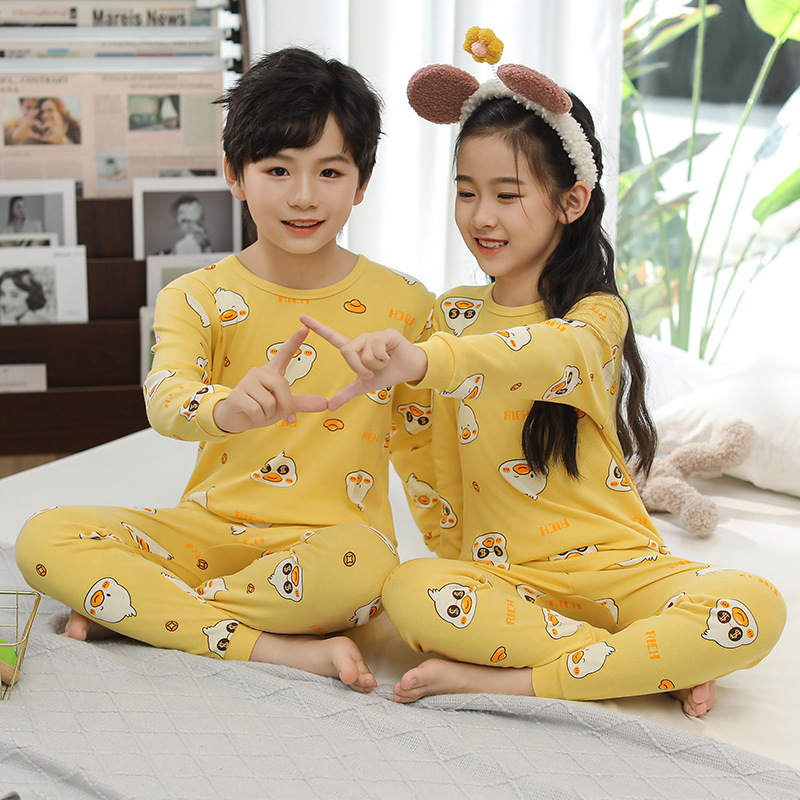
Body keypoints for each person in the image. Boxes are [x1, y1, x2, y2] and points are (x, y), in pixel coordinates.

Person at [300, 33, 786, 715]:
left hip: (619, 567)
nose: (482, 216)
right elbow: (424, 452)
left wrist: (428, 361)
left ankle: (515, 679)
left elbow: (540, 355)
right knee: (410, 592)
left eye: (508, 194)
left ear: (571, 201)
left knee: (755, 604)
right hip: (504, 579)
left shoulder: (596, 316)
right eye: (466, 192)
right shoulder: (450, 315)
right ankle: (640, 662)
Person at [15, 47, 433, 691]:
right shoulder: (195, 295)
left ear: (361, 182)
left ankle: (143, 608)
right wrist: (229, 408)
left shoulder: (408, 304)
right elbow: (165, 395)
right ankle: (269, 646)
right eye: (277, 169)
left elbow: (433, 449)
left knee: (369, 568)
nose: (303, 197)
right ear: (235, 175)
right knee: (43, 538)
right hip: (205, 535)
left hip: (332, 548)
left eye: (329, 172)